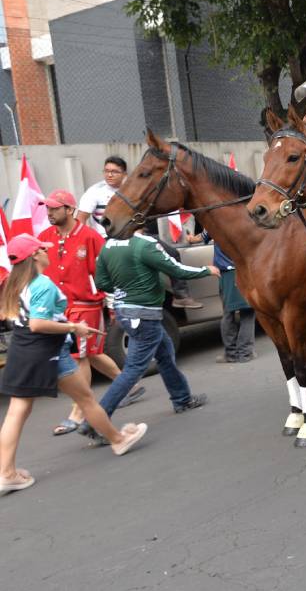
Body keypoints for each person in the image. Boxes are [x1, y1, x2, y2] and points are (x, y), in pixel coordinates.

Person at [0, 234, 149, 495]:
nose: (48, 252)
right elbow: (38, 324)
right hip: (46, 352)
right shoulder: (42, 285)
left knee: (17, 413)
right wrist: (74, 327)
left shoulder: (17, 283)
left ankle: (6, 473)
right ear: (35, 256)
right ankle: (118, 439)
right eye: (42, 249)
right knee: (86, 400)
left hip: (25, 351)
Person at [78, 227, 216, 440]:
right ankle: (96, 422)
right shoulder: (145, 245)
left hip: (126, 311)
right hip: (145, 314)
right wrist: (206, 270)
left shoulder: (108, 247)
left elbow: (102, 283)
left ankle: (182, 399)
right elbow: (177, 270)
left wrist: (126, 289)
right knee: (133, 370)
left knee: (165, 354)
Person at [38, 189, 145, 436]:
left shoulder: (89, 237)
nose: (50, 212)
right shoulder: (44, 237)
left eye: (54, 208)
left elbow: (107, 273)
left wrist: (112, 304)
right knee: (93, 353)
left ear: (70, 209)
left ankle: (78, 410)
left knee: (79, 356)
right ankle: (128, 384)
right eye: (48, 208)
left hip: (86, 305)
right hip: (58, 308)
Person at [213, 239, 256, 363]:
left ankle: (232, 353)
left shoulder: (213, 222)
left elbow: (203, 236)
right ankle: (245, 353)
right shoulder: (244, 220)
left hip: (226, 273)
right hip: (243, 269)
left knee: (228, 313)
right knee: (248, 313)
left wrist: (191, 238)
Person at [78, 156, 128, 237]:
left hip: (127, 238)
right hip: (102, 238)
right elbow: (81, 218)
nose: (110, 175)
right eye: (106, 171)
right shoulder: (94, 191)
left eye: (115, 171)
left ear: (124, 174)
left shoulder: (131, 191)